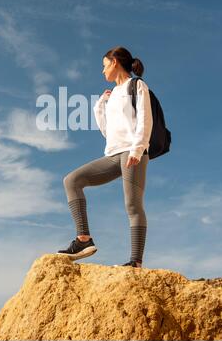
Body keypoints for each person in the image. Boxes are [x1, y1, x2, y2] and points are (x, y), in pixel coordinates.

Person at [57, 46, 153, 267]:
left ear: (115, 62)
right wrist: (100, 107)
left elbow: (146, 120)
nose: (102, 71)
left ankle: (135, 262)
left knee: (132, 205)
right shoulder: (112, 95)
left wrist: (138, 150)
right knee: (72, 180)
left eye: (104, 65)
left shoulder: (137, 85)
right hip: (113, 154)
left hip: (132, 151)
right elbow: (108, 132)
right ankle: (84, 239)